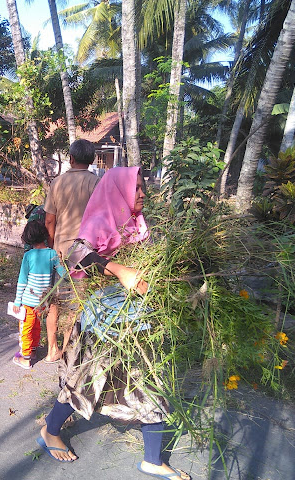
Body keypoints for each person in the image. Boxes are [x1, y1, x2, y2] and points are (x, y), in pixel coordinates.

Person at [37, 167, 190, 480]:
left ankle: (152, 459)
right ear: (119, 191)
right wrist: (119, 270)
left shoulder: (139, 225)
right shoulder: (99, 220)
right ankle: (50, 431)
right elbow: (78, 253)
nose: (143, 195)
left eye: (144, 189)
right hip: (103, 321)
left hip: (139, 320)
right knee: (82, 384)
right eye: (137, 189)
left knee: (149, 383)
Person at [42, 139, 100, 362]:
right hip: (85, 253)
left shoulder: (58, 183)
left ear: (71, 159)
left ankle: (51, 351)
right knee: (76, 303)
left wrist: (52, 246)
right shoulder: (96, 183)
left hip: (60, 252)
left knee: (55, 301)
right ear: (92, 160)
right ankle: (67, 350)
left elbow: (49, 220)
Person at [12, 221, 66, 369]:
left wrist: (17, 301)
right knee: (36, 326)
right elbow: (63, 275)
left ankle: (25, 358)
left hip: (28, 301)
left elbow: (22, 280)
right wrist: (62, 260)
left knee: (26, 329)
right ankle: (33, 350)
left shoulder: (28, 255)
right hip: (43, 301)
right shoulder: (52, 253)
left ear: (28, 237)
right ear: (44, 234)